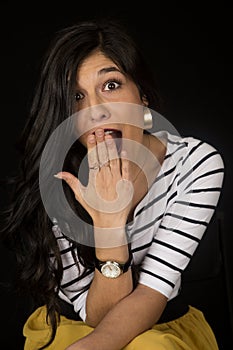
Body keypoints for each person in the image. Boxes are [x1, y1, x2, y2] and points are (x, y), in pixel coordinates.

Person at [0, 18, 224, 350]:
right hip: (73, 326)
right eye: (77, 96)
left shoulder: (195, 162)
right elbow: (96, 315)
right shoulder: (55, 179)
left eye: (111, 85)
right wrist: (109, 223)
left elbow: (152, 290)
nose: (96, 111)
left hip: (161, 327)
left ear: (142, 94)